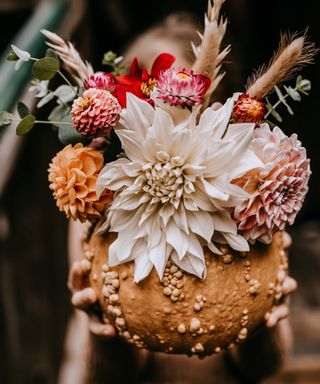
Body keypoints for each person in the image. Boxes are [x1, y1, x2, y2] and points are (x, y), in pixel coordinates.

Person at [65, 14, 298, 384]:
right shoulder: (98, 208)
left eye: (184, 103)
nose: (167, 118)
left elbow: (264, 366)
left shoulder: (251, 200)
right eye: (152, 100)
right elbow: (109, 373)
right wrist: (102, 330)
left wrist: (263, 324)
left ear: (213, 107)